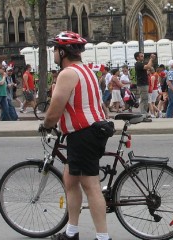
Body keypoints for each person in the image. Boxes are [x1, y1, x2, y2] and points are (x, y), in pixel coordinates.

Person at [41, 31, 113, 240]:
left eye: (55, 49)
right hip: (93, 130)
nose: (54, 52)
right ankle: (72, 232)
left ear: (63, 52)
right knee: (70, 180)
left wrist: (46, 125)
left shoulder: (67, 74)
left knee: (91, 186)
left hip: (83, 134)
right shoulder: (87, 70)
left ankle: (103, 237)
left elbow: (54, 111)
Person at [134, 51, 156, 122]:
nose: (142, 57)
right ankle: (143, 115)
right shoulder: (138, 64)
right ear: (137, 57)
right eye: (141, 56)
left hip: (144, 84)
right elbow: (148, 66)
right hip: (142, 84)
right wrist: (151, 59)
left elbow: (148, 68)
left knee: (145, 99)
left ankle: (144, 114)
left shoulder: (140, 64)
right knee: (144, 100)